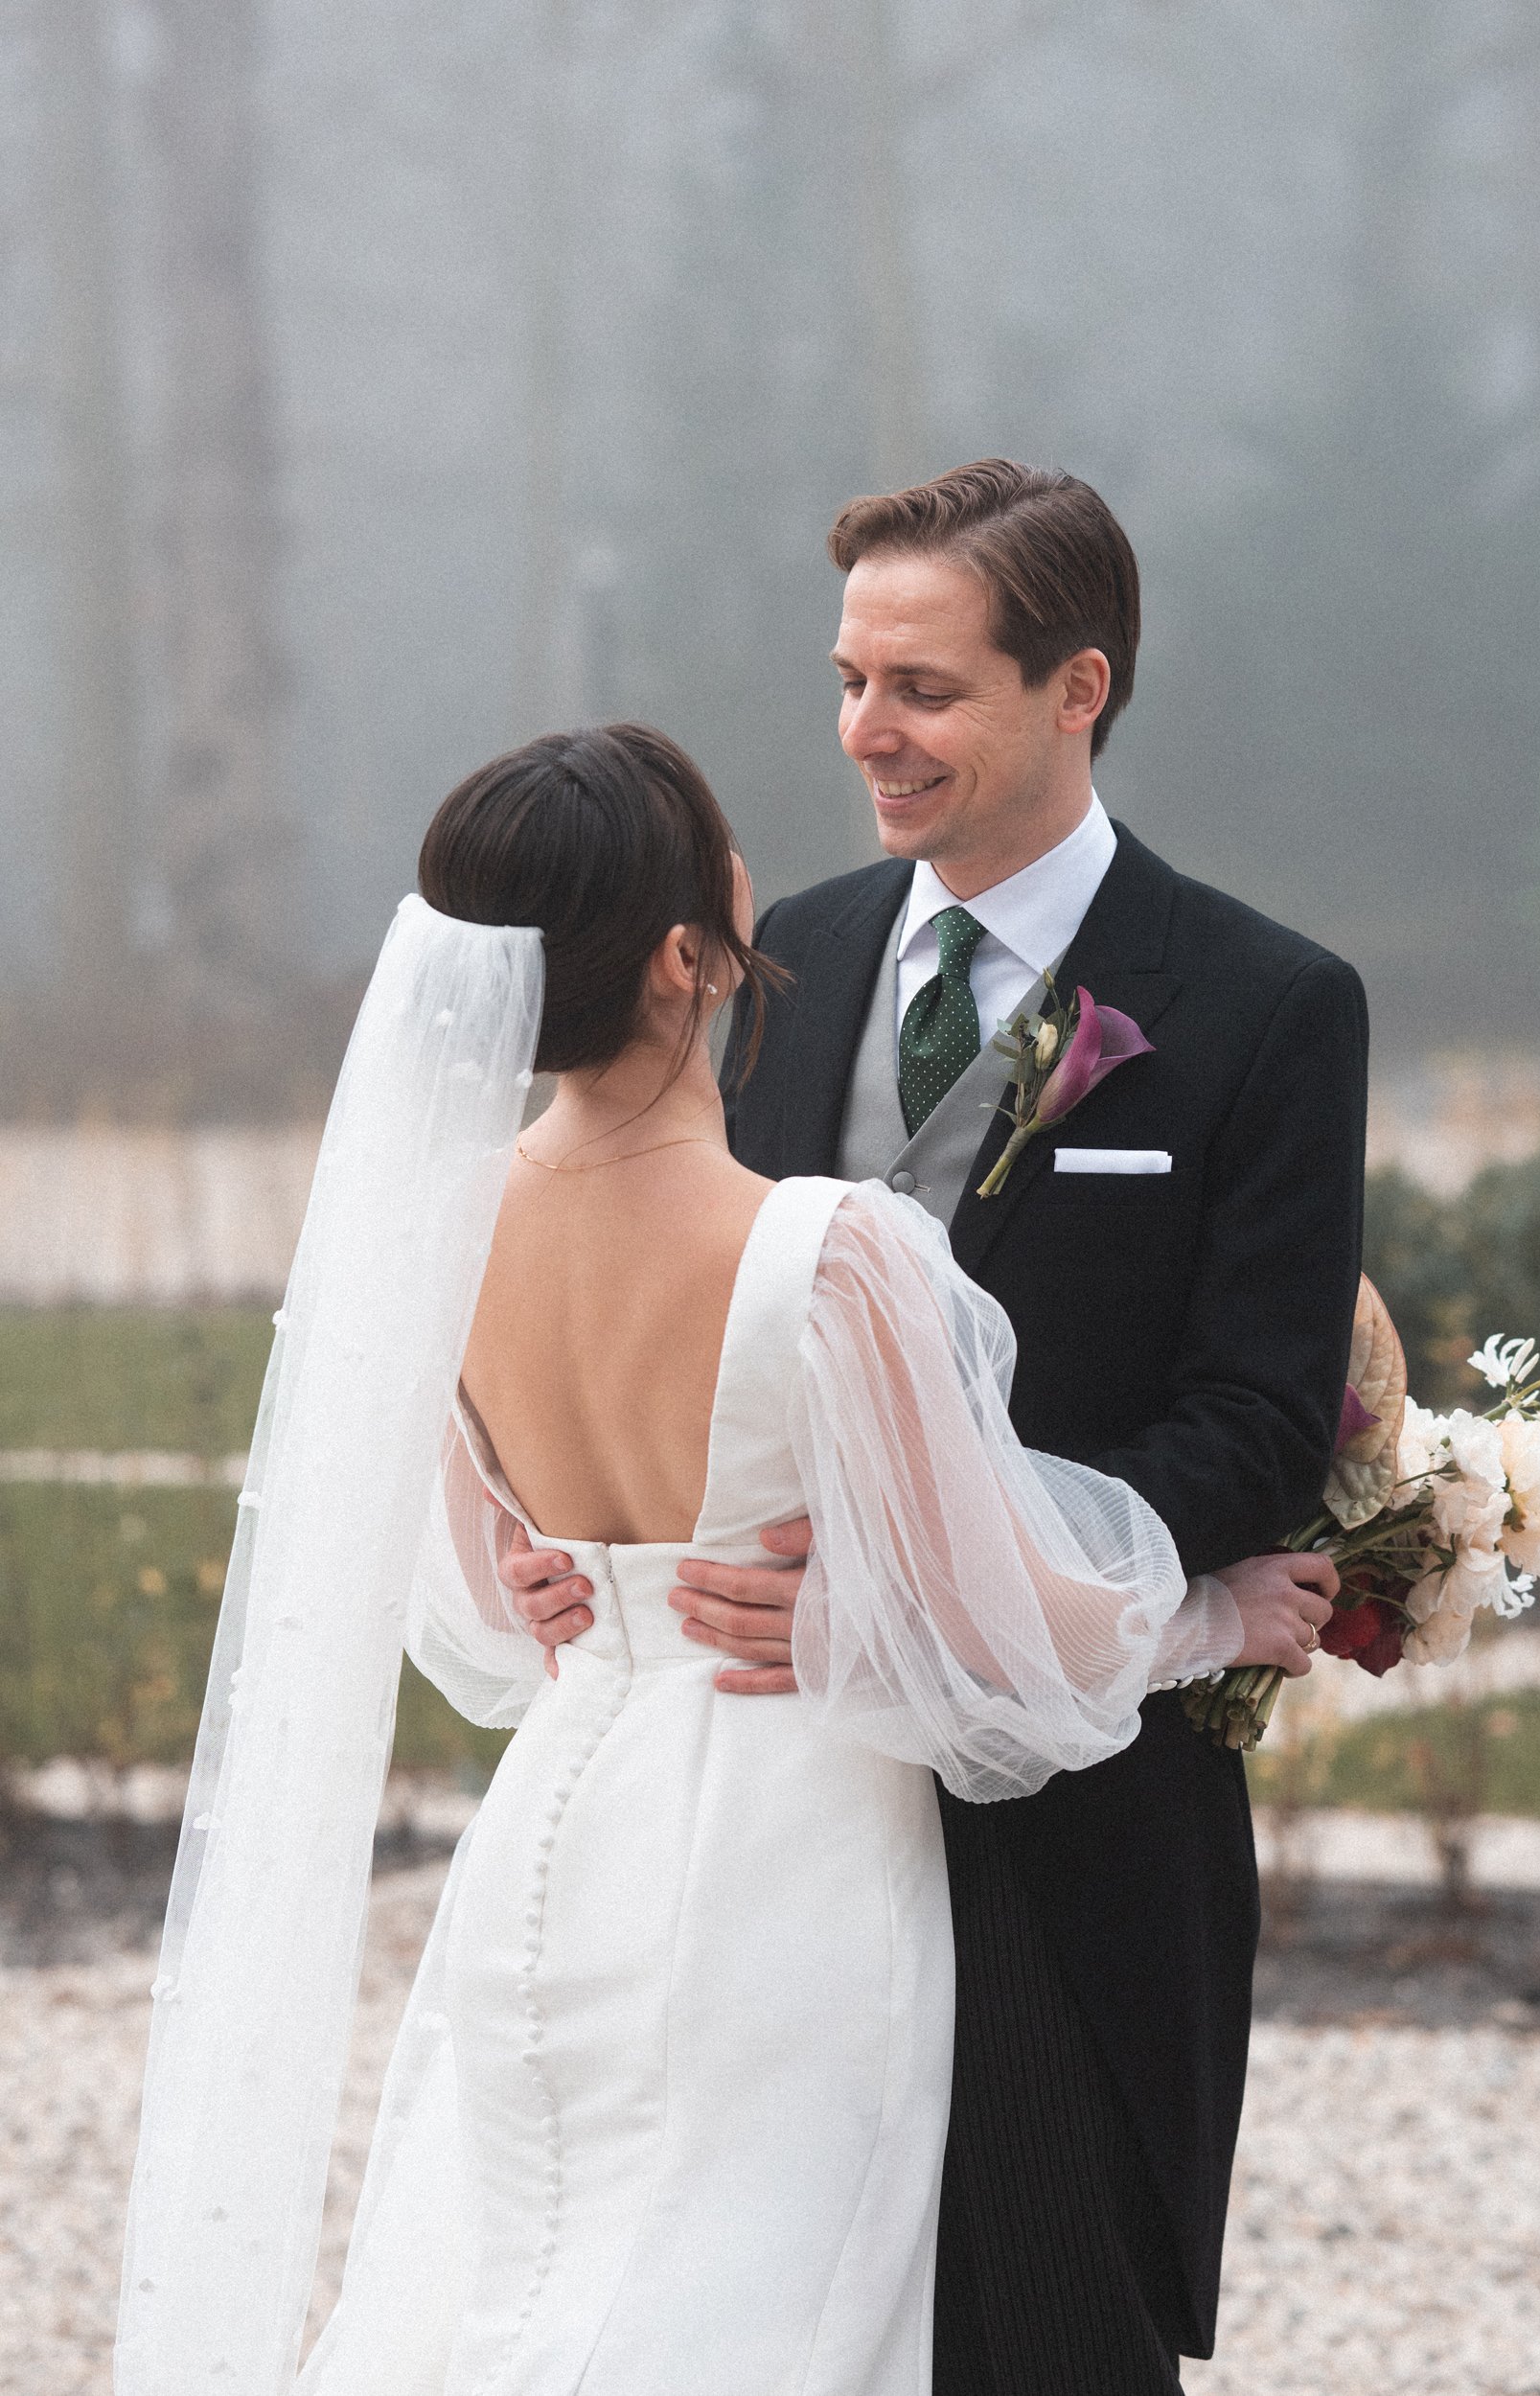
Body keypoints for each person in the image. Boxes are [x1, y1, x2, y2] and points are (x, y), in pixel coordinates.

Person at [115, 722, 1332, 2396]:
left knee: (516, 2301)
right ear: (693, 956)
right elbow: (1014, 1633)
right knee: (753, 2325)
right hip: (786, 1856)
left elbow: (491, 1594)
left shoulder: (439, 1233)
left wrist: (561, 1575)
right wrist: (1222, 1612)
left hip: (551, 1831)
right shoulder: (831, 1254)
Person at [520, 463, 1369, 2394]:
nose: (863, 734)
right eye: (847, 679)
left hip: (1069, 1812)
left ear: (1077, 689)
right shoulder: (763, 963)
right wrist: (544, 1506)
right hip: (760, 1795)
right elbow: (634, 1277)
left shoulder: (1263, 1003)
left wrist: (943, 1579)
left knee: (1053, 2332)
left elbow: (1251, 1429)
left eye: (921, 687)